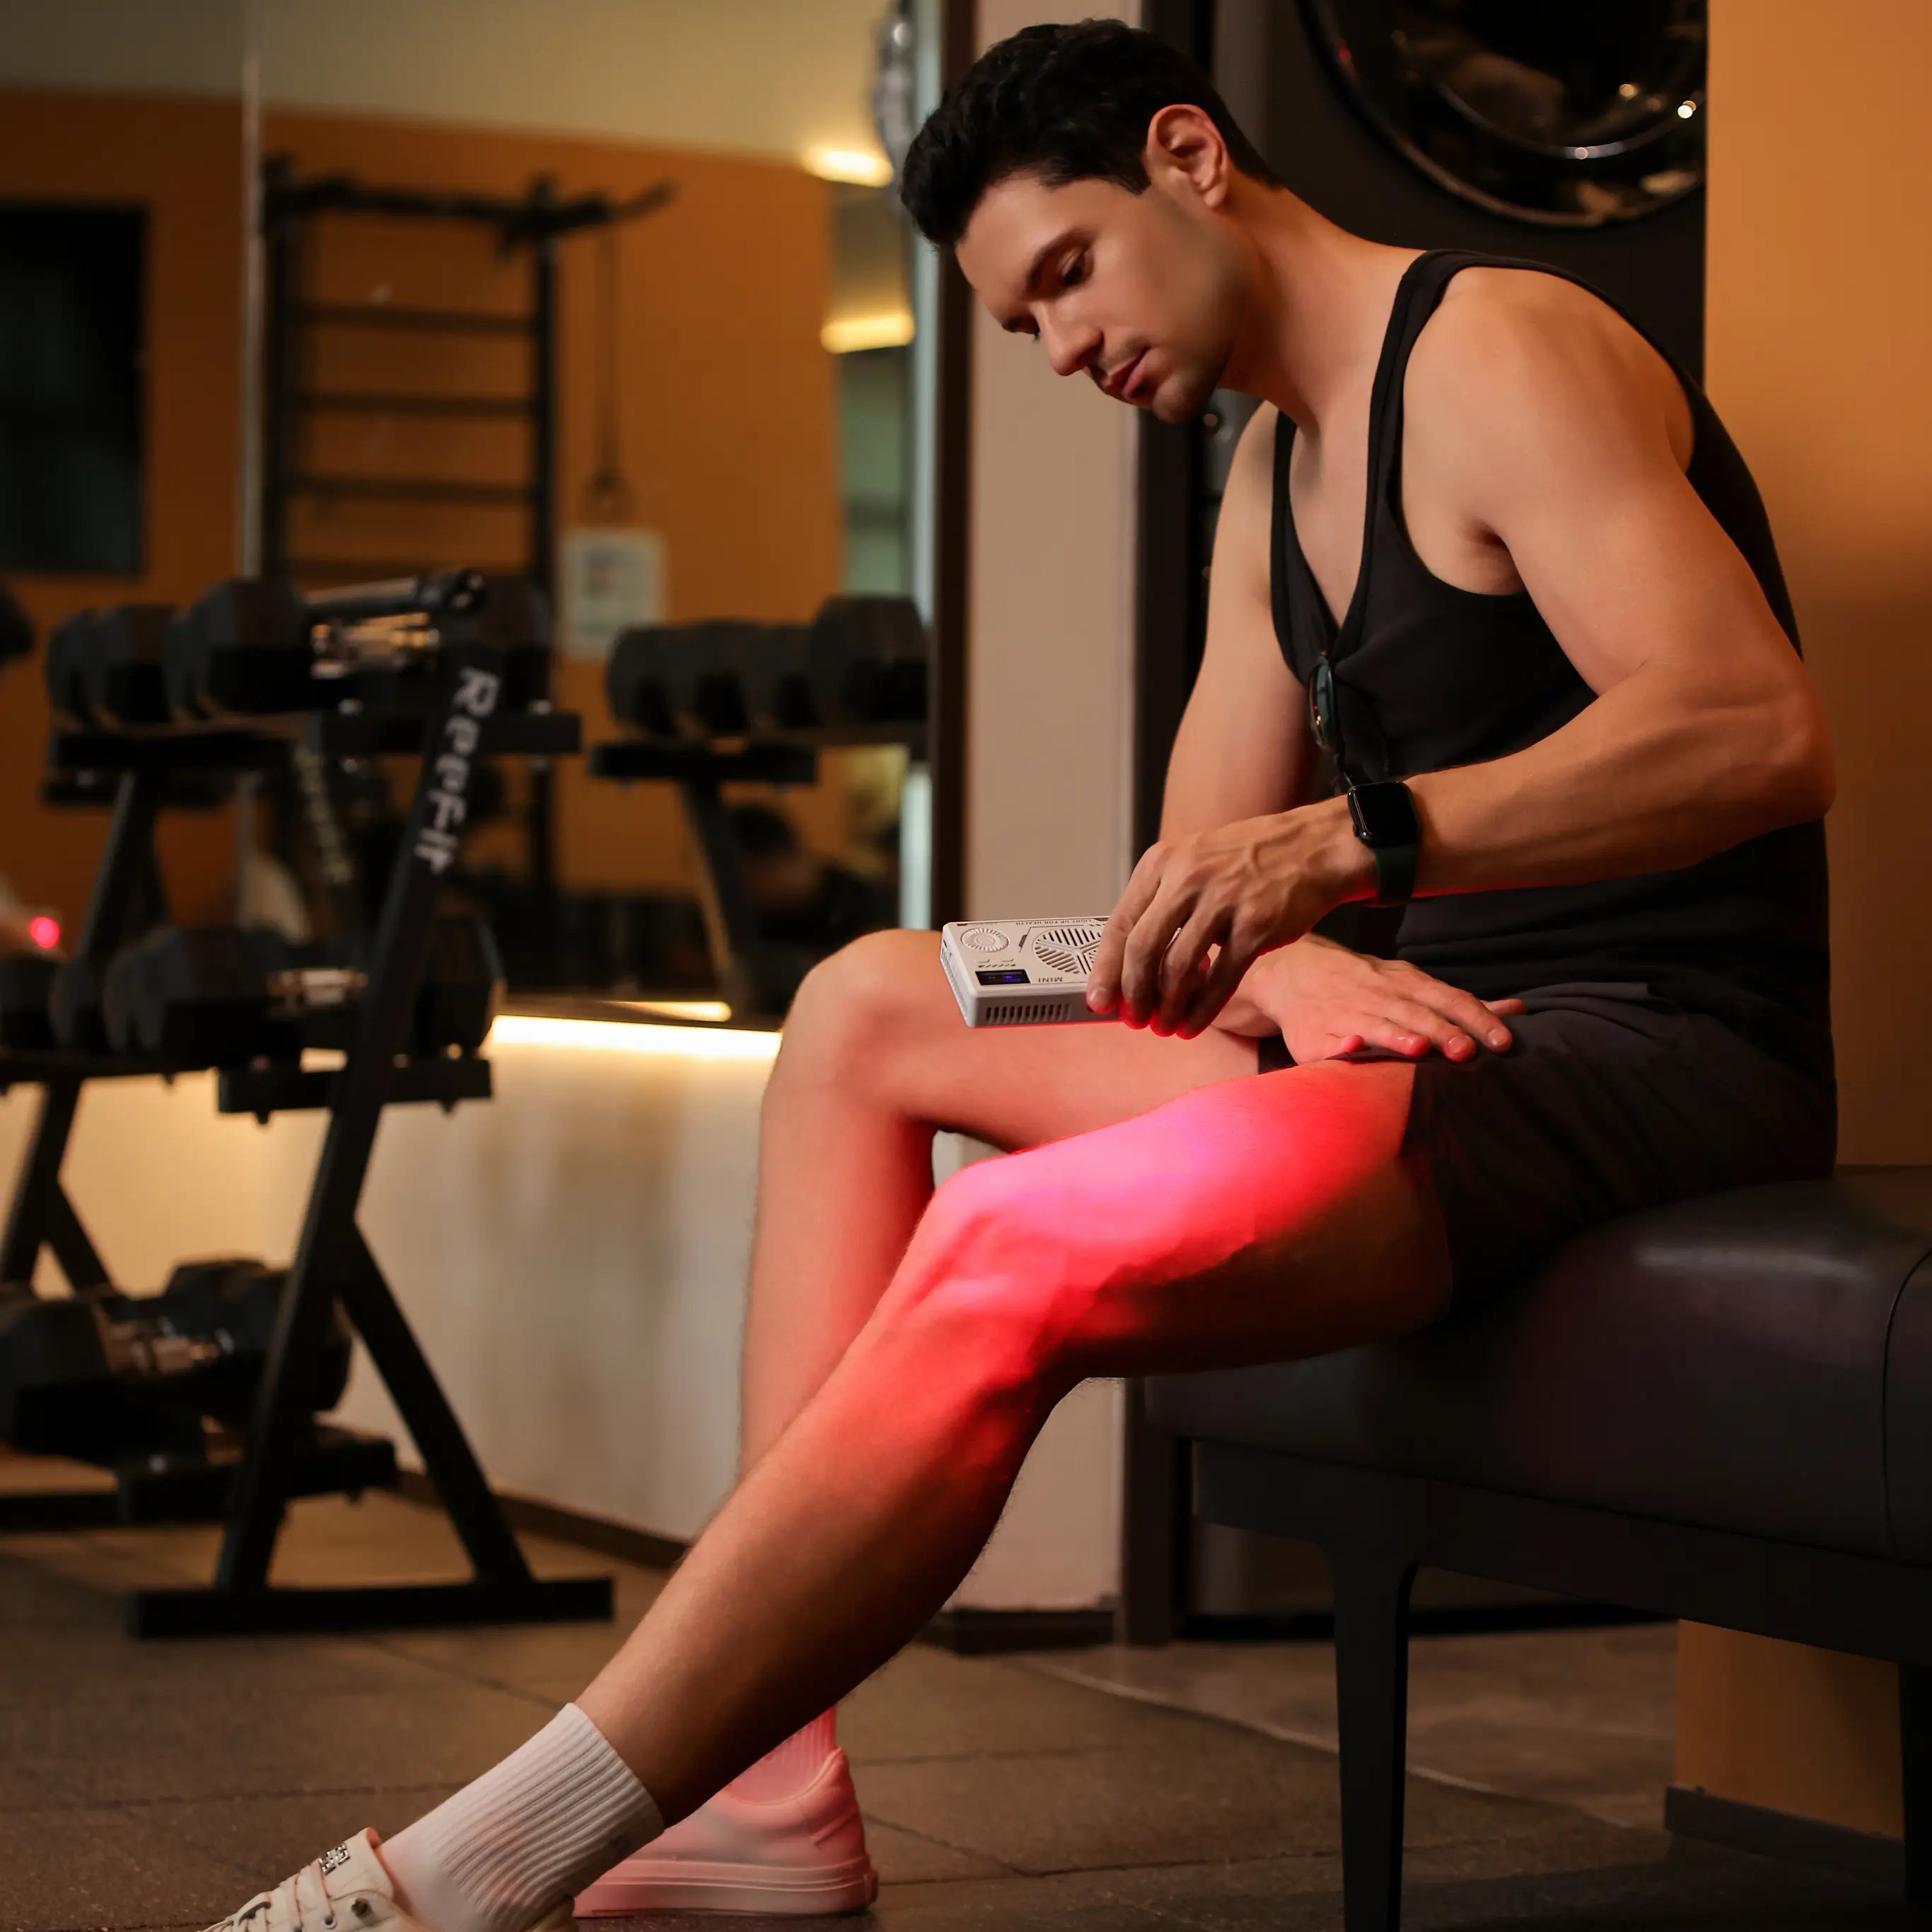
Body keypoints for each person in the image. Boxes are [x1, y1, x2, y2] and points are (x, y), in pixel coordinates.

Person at [202, 21, 1836, 1932]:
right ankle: (766, 1798)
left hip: (1645, 1051)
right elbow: (1195, 882)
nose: (1060, 347)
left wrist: (1338, 851)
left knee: (1001, 1243)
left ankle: (483, 1863)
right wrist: (1292, 947)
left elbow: (1749, 725)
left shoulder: (1499, 346)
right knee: (867, 1003)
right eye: (1016, 326)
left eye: (1062, 274)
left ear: (1188, 155)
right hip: (1434, 1036)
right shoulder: (1266, 483)